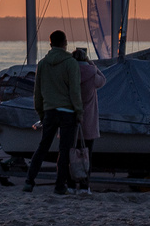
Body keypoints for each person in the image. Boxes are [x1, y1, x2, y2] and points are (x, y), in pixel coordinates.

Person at [24, 30, 82, 194]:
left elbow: (38, 91)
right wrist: (79, 111)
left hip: (49, 111)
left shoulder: (43, 63)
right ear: (65, 43)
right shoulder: (71, 63)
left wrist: (40, 112)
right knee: (64, 150)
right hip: (67, 112)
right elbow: (75, 91)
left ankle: (29, 181)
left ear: (50, 45)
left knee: (43, 147)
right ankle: (59, 185)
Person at [72, 47, 106, 195]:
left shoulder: (70, 73)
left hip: (72, 118)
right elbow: (103, 80)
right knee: (87, 155)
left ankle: (71, 184)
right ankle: (85, 186)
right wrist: (92, 64)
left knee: (71, 154)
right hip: (89, 120)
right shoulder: (92, 73)